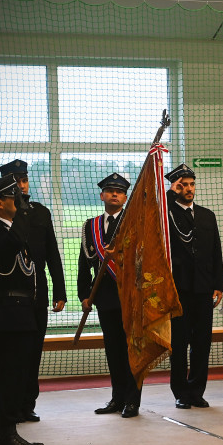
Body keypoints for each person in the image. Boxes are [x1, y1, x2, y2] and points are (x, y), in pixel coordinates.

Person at [0, 159, 65, 424]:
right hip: (11, 293)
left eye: (23, 180)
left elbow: (52, 253)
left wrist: (59, 290)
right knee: (13, 358)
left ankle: (27, 404)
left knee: (32, 353)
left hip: (36, 290)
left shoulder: (40, 212)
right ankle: (11, 409)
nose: (21, 185)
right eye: (14, 182)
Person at [0, 175, 46, 445]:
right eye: (13, 199)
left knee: (18, 374)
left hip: (20, 311)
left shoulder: (9, 229)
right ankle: (4, 437)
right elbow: (2, 263)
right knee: (7, 375)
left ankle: (11, 433)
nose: (18, 204)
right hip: (7, 310)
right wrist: (22, 221)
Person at [78, 173, 140, 418]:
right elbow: (84, 263)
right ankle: (117, 398)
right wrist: (84, 294)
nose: (114, 194)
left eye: (119, 191)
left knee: (131, 350)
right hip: (103, 296)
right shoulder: (90, 225)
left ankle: (132, 401)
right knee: (113, 350)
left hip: (129, 295)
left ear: (125, 197)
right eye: (109, 190)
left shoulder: (134, 222)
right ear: (102, 195)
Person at [165, 164, 223, 409]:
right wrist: (170, 192)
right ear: (175, 187)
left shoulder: (207, 215)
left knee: (202, 343)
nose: (189, 189)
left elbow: (216, 251)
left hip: (203, 289)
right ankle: (180, 392)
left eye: (191, 184)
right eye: (183, 185)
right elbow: (152, 207)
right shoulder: (166, 213)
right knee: (178, 344)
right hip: (178, 291)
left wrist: (218, 284)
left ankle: (197, 391)